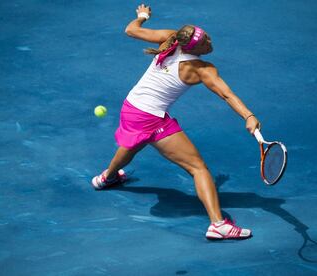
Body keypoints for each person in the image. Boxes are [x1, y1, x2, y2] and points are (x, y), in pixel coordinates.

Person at [92, 4, 261, 240]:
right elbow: (226, 94)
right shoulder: (202, 69)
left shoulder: (170, 38)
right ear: (194, 47)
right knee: (198, 167)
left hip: (131, 106)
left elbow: (131, 30)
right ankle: (218, 225)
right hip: (150, 116)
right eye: (205, 43)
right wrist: (249, 116)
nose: (210, 43)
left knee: (136, 143)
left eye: (208, 38)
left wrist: (141, 17)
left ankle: (106, 178)